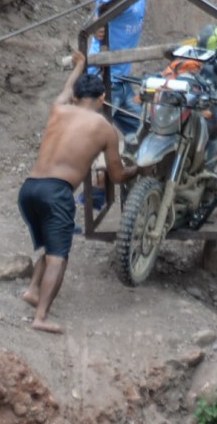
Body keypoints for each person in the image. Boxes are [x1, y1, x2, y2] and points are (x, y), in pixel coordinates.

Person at [17, 52, 131, 334]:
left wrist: (80, 65)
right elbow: (116, 175)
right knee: (59, 255)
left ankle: (33, 290)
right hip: (57, 192)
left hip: (29, 189)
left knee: (50, 242)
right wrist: (139, 170)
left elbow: (66, 88)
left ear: (76, 97)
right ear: (102, 99)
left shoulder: (59, 108)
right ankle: (41, 316)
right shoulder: (105, 129)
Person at [89, 0, 154, 137]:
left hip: (122, 79)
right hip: (104, 80)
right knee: (94, 139)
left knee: (145, 132)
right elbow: (100, 13)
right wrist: (96, 26)